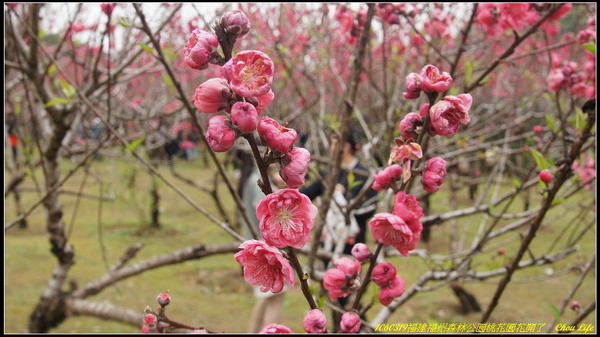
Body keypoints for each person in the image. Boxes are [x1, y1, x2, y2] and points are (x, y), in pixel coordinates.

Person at [235, 151, 289, 333]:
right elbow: (268, 216)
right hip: (268, 252)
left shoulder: (250, 178)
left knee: (266, 298)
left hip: (259, 251)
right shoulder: (256, 181)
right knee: (276, 299)